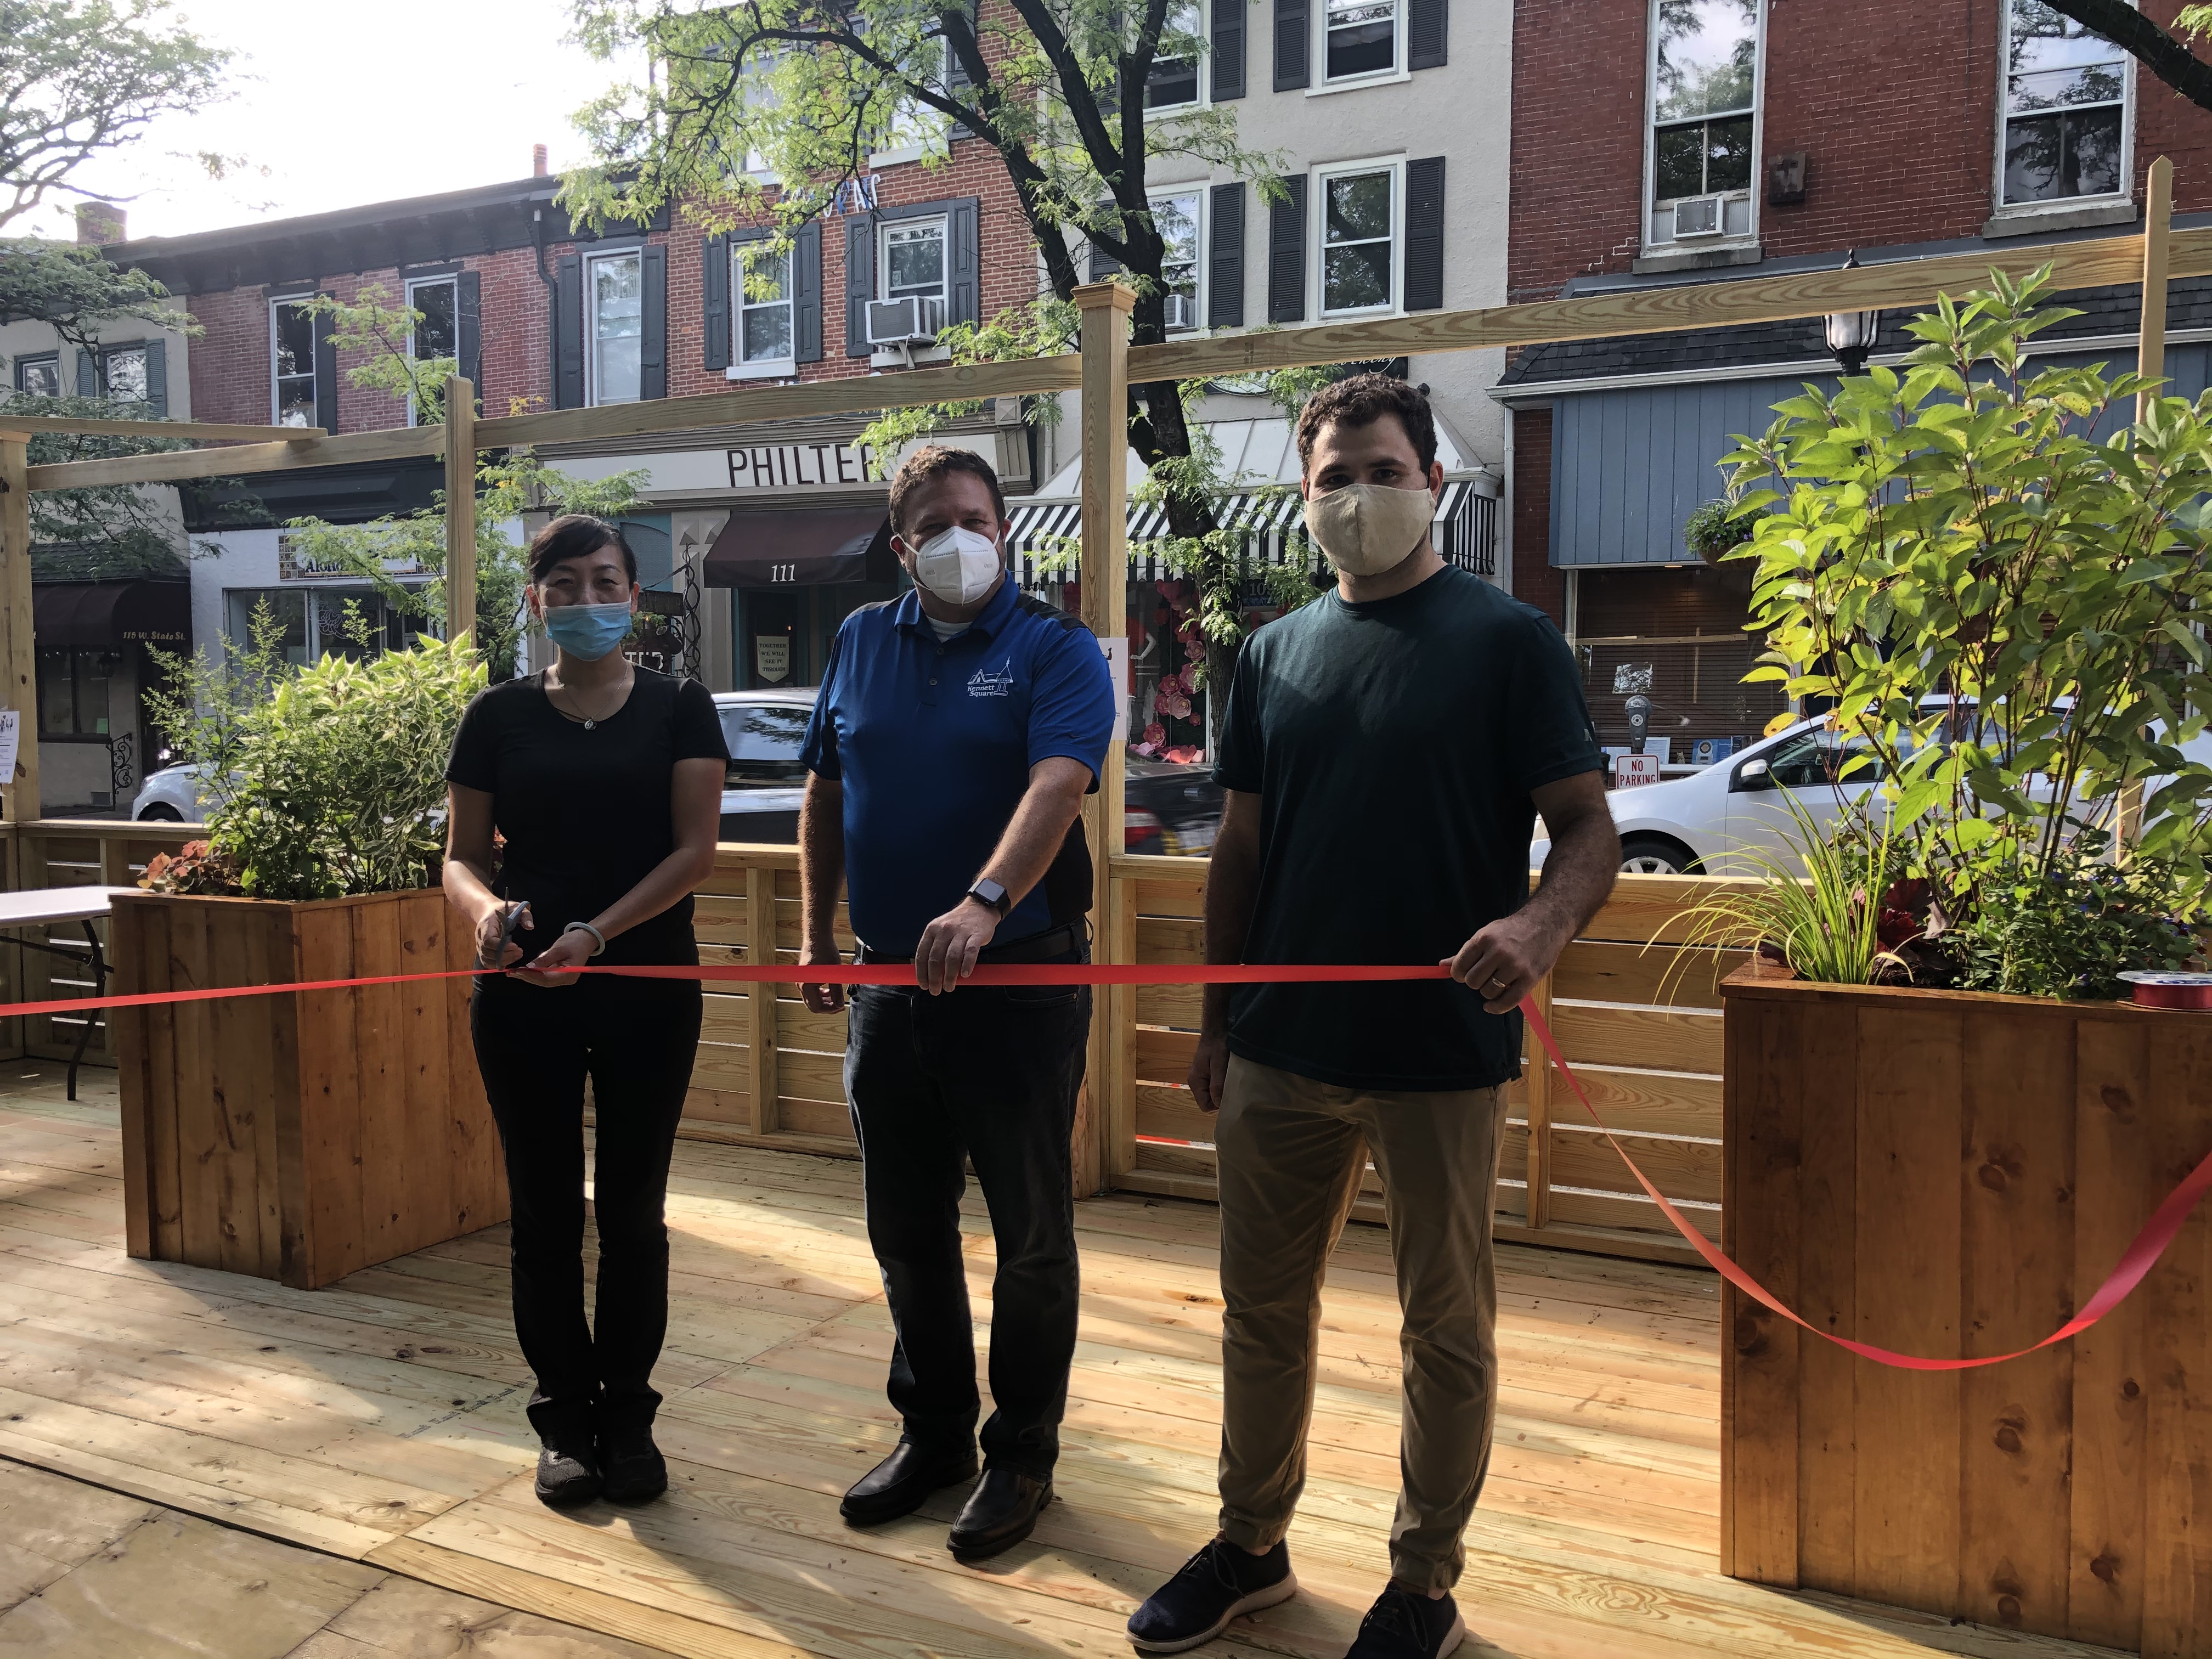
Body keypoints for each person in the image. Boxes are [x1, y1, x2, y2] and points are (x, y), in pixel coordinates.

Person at [1125, 377, 1620, 1659]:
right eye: (1334, 478)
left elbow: (1586, 830)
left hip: (1441, 1057)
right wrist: (1216, 1021)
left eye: (1382, 471)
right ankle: (1250, 1546)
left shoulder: (1510, 642)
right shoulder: (1276, 655)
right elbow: (1239, 854)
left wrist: (1538, 929)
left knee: (1445, 1327)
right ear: (1305, 499)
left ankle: (1424, 1583)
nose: (1359, 497)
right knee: (1259, 1313)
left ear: (1433, 487)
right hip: (1281, 1048)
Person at [796, 444, 1115, 1561]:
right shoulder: (856, 640)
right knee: (905, 1225)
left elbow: (1059, 783)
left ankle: (1022, 1451)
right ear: (902, 545)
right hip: (886, 986)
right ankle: (933, 1435)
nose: (960, 536)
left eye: (976, 517)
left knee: (1030, 1234)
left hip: (1019, 981)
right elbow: (826, 786)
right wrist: (812, 928)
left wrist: (984, 902)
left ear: (1005, 527)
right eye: (936, 522)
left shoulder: (1054, 648)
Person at [443, 514, 729, 1511]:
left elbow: (696, 852)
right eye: (561, 584)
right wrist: (487, 921)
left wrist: (598, 935)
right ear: (536, 601)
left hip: (647, 986)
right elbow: (462, 856)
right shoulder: (497, 716)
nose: (585, 599)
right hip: (522, 995)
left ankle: (630, 1420)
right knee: (545, 1215)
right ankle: (563, 1420)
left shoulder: (682, 709)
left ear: (634, 596)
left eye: (604, 580)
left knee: (636, 1215)